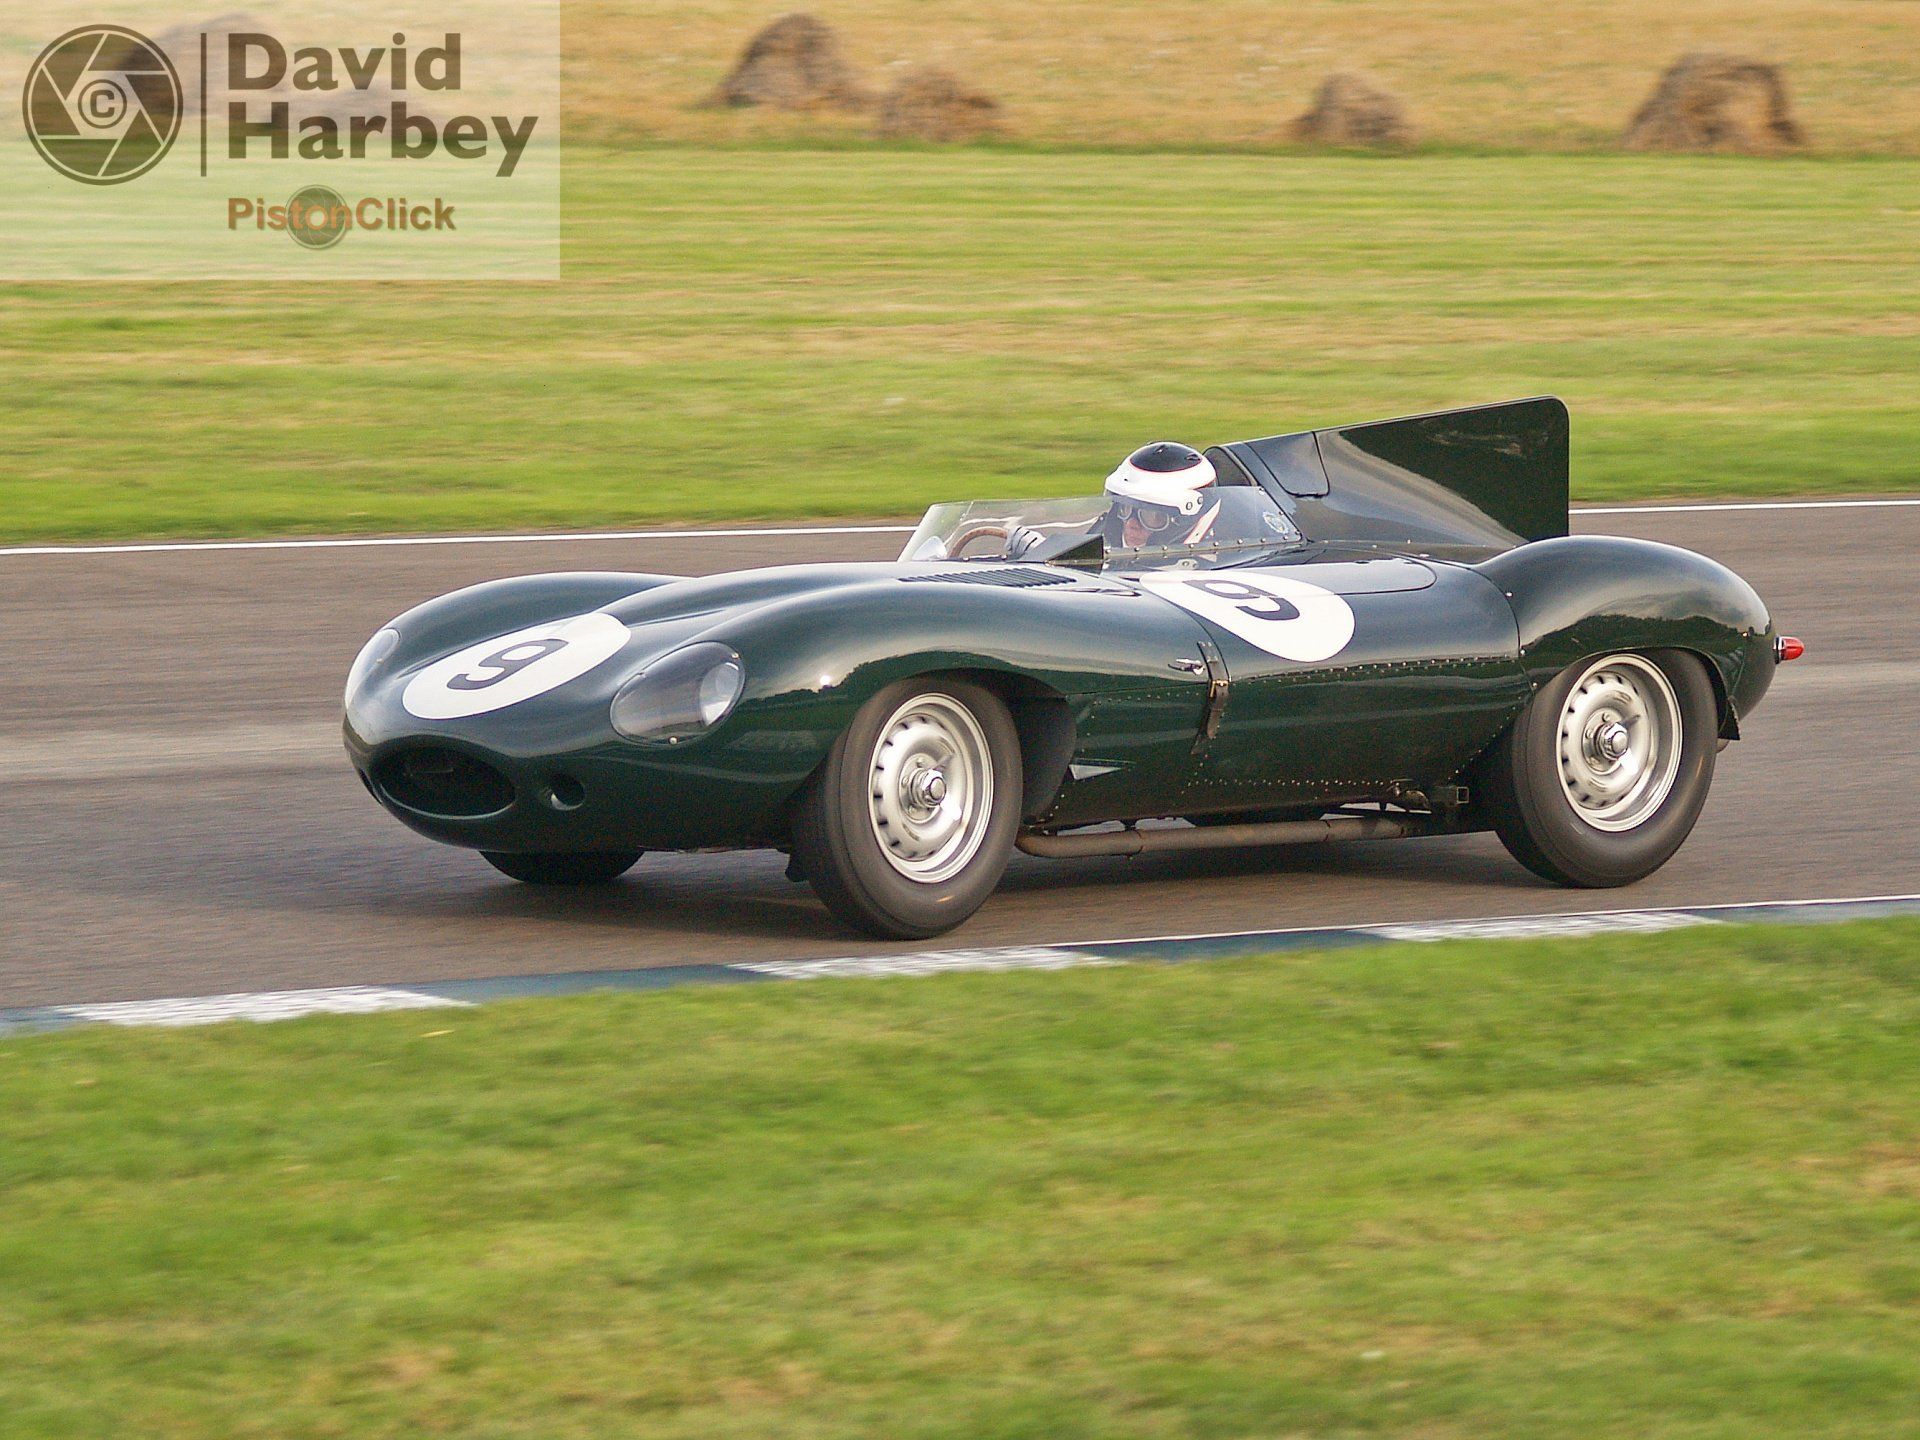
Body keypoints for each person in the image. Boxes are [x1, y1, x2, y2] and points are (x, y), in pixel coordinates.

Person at [1103, 441, 1222, 549]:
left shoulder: (1219, 569)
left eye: (1151, 516)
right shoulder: (1106, 559)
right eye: (1125, 508)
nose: (1131, 525)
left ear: (1190, 521)